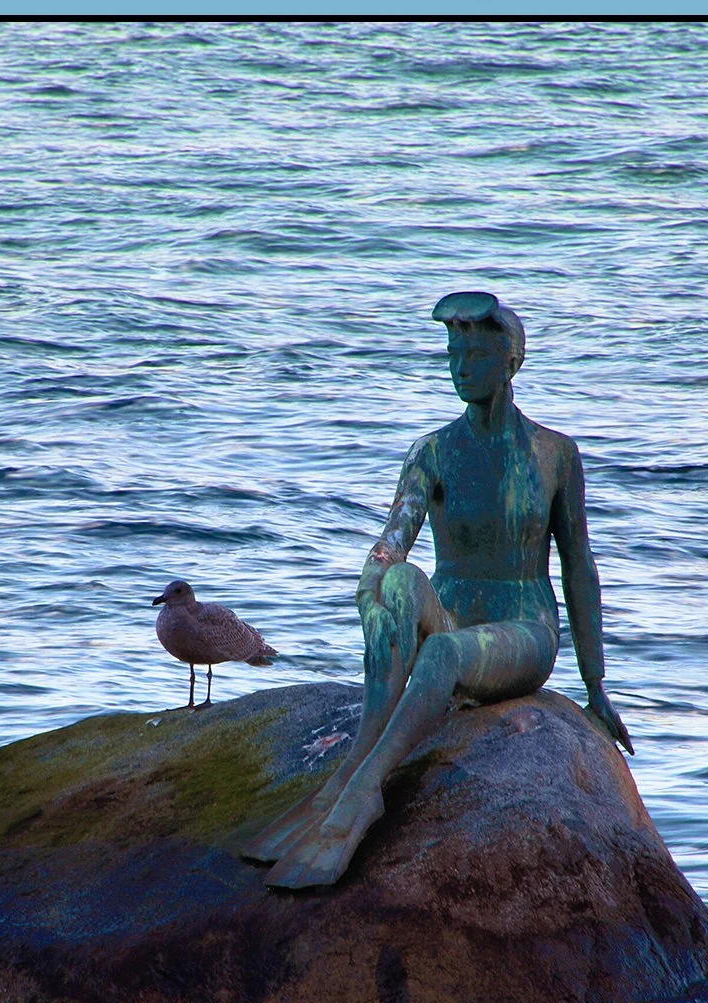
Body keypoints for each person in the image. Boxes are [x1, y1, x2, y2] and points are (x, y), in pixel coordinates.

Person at [248, 291, 633, 889]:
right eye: (453, 355)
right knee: (400, 585)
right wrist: (374, 577)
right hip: (452, 611)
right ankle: (350, 772)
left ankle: (364, 788)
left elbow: (579, 565)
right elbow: (395, 537)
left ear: (510, 361)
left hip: (521, 627)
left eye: (475, 356)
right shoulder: (431, 452)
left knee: (443, 654)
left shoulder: (555, 455)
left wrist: (595, 685)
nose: (460, 368)